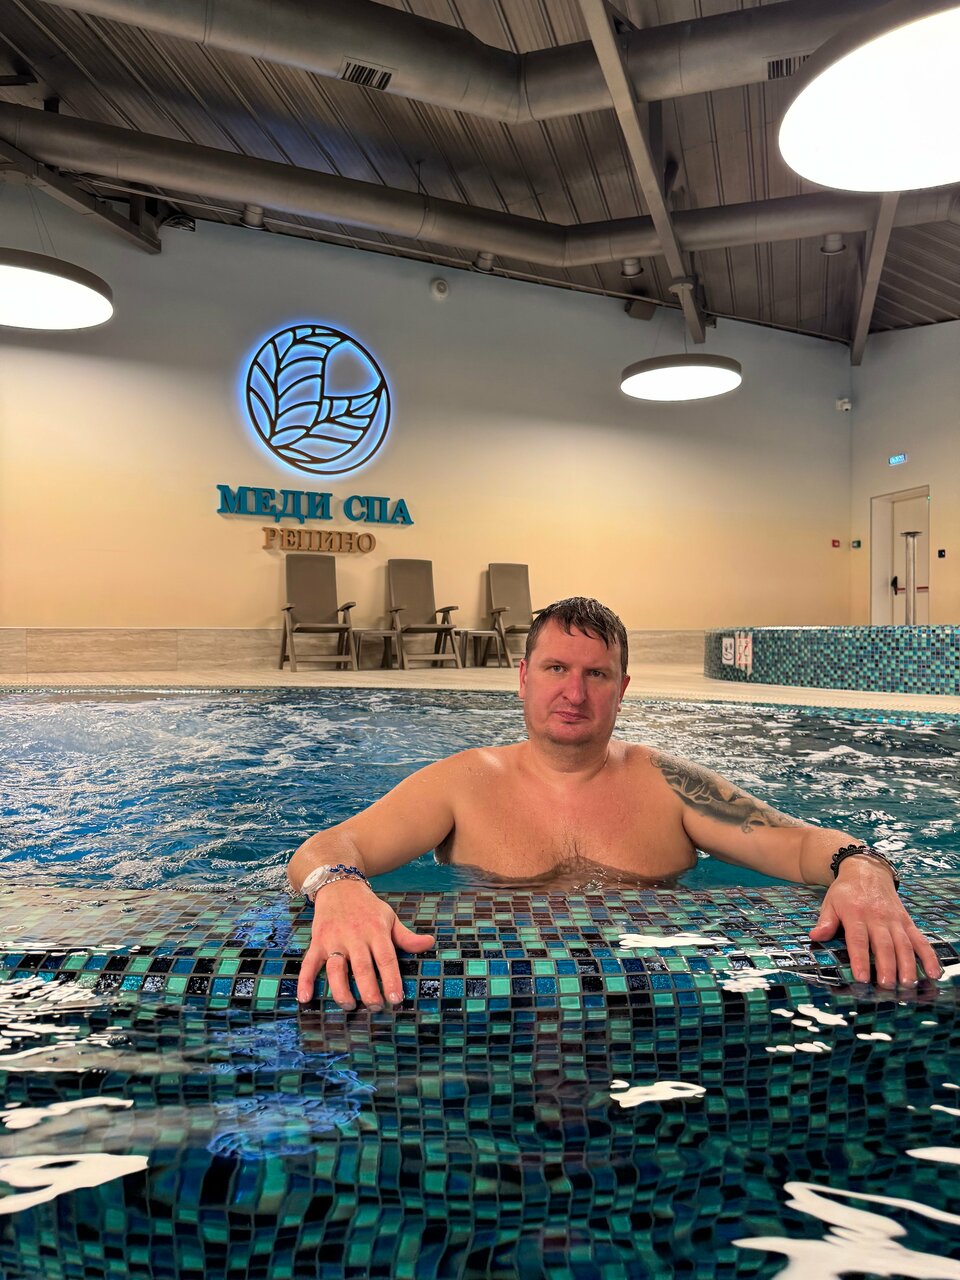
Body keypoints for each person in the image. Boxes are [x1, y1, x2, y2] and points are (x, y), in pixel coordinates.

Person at [288, 597, 942, 1009]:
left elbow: (799, 844)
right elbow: (328, 848)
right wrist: (340, 888)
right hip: (493, 1005)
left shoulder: (672, 785)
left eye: (595, 674)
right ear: (523, 678)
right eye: (556, 669)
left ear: (622, 688)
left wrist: (862, 872)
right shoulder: (460, 784)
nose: (574, 693)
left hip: (659, 1004)